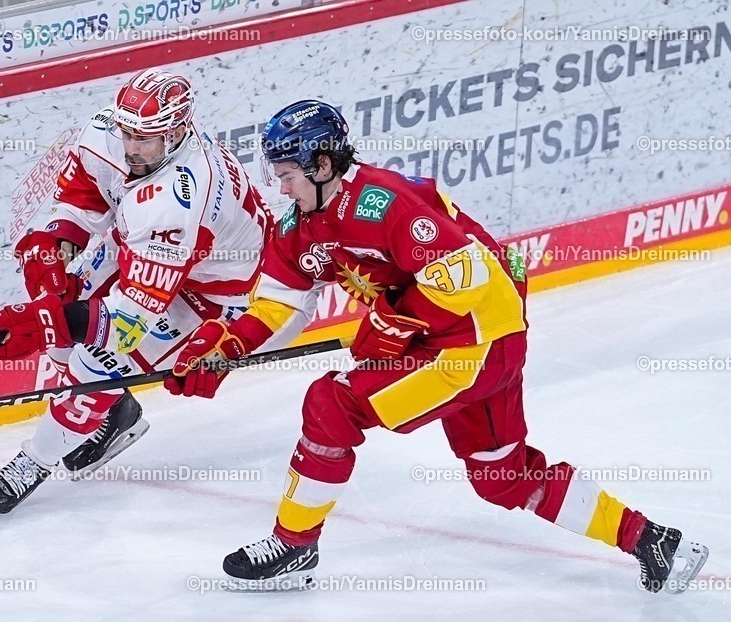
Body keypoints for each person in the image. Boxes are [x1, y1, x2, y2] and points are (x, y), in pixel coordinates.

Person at [164, 99, 709, 593]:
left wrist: (400, 322)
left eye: (287, 175)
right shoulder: (300, 228)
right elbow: (280, 304)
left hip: (472, 343)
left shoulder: (384, 203)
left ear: (322, 166)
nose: (280, 188)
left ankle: (294, 545)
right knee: (504, 476)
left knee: (331, 404)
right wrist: (223, 348)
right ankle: (651, 540)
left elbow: (474, 274)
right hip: (478, 345)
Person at [0, 68, 279, 515]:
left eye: (146, 139)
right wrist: (56, 252)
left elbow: (130, 320)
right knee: (57, 309)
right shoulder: (107, 134)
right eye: (128, 133)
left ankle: (35, 460)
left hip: (209, 291)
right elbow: (84, 197)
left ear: (175, 134)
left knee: (95, 362)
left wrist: (44, 323)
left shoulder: (178, 197)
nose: (132, 147)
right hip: (140, 247)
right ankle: (115, 415)